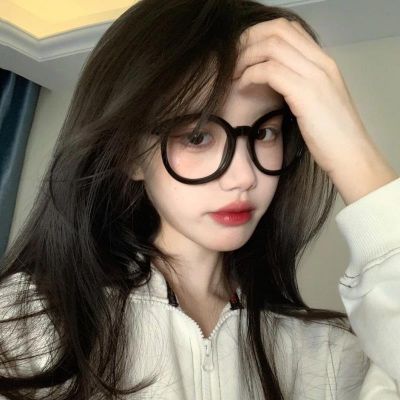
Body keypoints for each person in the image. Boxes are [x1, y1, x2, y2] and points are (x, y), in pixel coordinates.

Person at [0, 0, 399, 399]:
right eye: (197, 136)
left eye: (264, 133)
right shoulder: (28, 326)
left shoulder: (328, 356)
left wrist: (353, 152)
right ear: (130, 155)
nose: (244, 177)